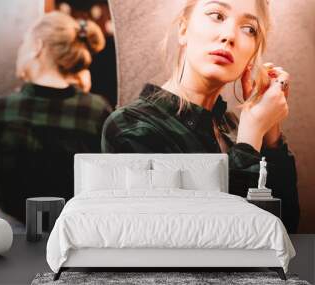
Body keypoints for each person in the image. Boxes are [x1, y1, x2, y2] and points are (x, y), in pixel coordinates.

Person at [101, 0, 299, 233]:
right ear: (183, 29)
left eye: (249, 29)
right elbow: (210, 236)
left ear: (253, 53)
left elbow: (284, 229)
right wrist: (250, 138)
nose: (229, 35)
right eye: (216, 15)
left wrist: (270, 136)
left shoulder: (235, 127)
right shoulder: (131, 126)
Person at [0, 12, 113, 224]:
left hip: (11, 235)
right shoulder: (96, 110)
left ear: (37, 45)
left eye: (24, 42)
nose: (20, 49)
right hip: (74, 231)